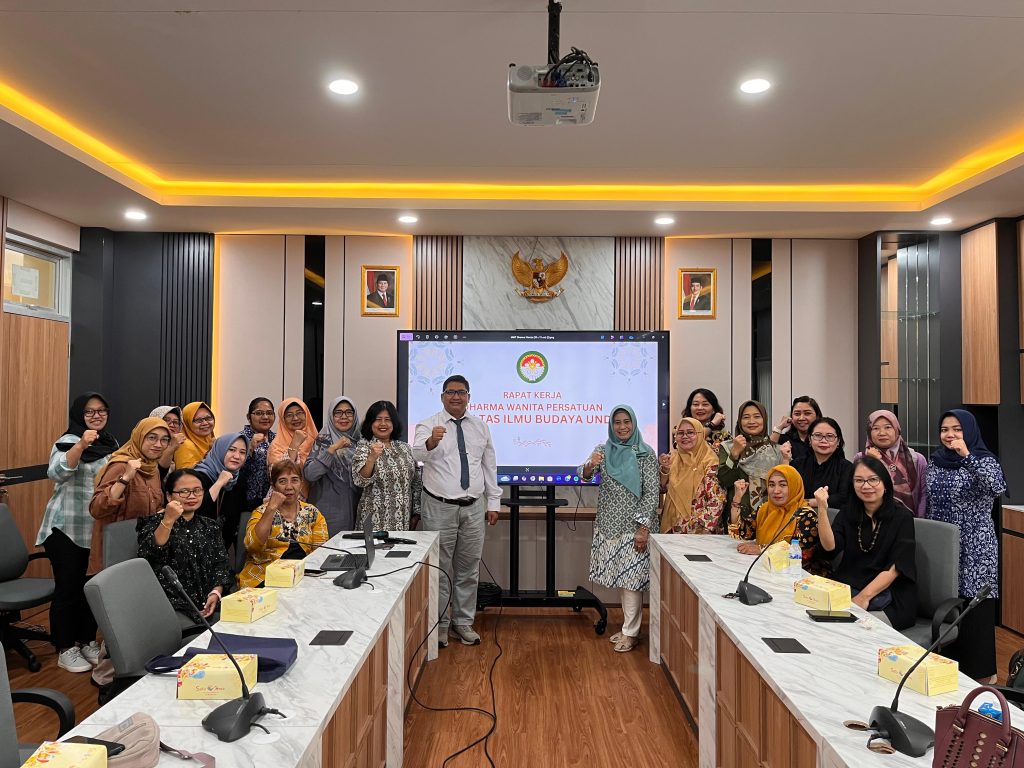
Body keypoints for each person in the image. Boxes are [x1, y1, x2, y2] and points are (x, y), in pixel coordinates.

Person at [412, 376, 500, 649]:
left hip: (474, 507)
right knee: (439, 569)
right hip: (439, 506)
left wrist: (494, 502)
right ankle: (439, 626)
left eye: (461, 392)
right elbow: (416, 453)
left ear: (468, 396)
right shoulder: (429, 425)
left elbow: (489, 466)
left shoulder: (480, 427)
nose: (456, 397)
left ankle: (463, 622)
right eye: (450, 392)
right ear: (442, 397)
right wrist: (430, 443)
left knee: (468, 569)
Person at [36, 393, 118, 673]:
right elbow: (57, 472)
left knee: (90, 589)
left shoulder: (110, 443)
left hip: (94, 530)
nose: (96, 416)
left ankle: (86, 641)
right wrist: (82, 444)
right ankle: (64, 647)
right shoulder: (68, 441)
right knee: (68, 589)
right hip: (66, 528)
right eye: (89, 412)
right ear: (78, 415)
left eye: (101, 411)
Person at [926, 409, 1006, 682]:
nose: (950, 435)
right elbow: (931, 500)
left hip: (976, 546)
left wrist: (967, 457)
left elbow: (997, 487)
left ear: (969, 432)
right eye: (945, 429)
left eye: (957, 429)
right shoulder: (935, 461)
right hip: (943, 542)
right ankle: (952, 671)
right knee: (948, 602)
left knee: (976, 606)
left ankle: (983, 675)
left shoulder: (984, 460)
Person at [580, 405, 659, 653]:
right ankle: (628, 627)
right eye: (617, 422)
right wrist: (591, 465)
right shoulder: (603, 450)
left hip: (634, 527)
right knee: (624, 581)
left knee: (632, 582)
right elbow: (583, 475)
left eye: (627, 422)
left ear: (634, 424)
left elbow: (651, 494)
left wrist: (643, 528)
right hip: (609, 525)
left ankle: (631, 633)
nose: (623, 427)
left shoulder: (646, 454)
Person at [814, 457, 917, 628]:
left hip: (890, 597)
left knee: (848, 629)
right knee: (816, 623)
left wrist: (863, 597)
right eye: (859, 480)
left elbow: (896, 567)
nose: (866, 486)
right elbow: (830, 548)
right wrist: (822, 509)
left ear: (885, 484)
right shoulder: (848, 512)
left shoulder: (902, 517)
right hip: (849, 590)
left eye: (873, 480)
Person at [137, 469, 233, 627]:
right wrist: (168, 520)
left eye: (197, 490)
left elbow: (220, 563)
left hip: (210, 601)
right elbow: (150, 555)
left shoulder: (210, 526)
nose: (192, 496)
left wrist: (216, 591)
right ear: (169, 496)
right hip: (172, 605)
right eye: (184, 491)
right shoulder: (153, 524)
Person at [89, 417, 171, 574]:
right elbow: (96, 509)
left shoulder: (153, 469)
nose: (158, 444)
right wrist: (125, 478)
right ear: (139, 437)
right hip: (115, 552)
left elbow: (153, 505)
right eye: (152, 437)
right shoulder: (121, 465)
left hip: (141, 550)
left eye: (164, 440)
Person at [239, 460, 328, 589]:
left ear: (301, 484)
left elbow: (320, 553)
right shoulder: (261, 512)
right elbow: (253, 546)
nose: (289, 487)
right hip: (265, 576)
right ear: (274, 486)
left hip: (302, 576)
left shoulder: (313, 513)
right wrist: (271, 509)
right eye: (282, 481)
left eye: (294, 480)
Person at [729, 465, 824, 575]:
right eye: (771, 485)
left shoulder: (806, 515)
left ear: (794, 486)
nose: (776, 490)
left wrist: (762, 550)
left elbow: (802, 553)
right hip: (765, 569)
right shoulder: (765, 509)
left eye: (783, 485)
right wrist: (737, 498)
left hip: (798, 576)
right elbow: (741, 533)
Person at [717, 400, 791, 532]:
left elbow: (787, 485)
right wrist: (734, 454)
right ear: (739, 421)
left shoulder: (777, 450)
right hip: (738, 514)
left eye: (757, 416)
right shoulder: (728, 446)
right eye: (746, 417)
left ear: (764, 419)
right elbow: (725, 480)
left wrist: (786, 460)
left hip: (770, 516)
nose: (751, 421)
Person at [354, 400, 422, 530]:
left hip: (403, 519)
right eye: (378, 419)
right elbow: (360, 481)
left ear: (394, 423)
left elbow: (416, 483)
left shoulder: (405, 448)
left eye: (388, 419)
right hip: (374, 520)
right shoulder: (364, 446)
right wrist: (371, 458)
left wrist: (416, 512)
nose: (383, 424)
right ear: (370, 423)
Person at [305, 395, 361, 536]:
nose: (344, 417)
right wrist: (332, 449)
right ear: (331, 415)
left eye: (349, 412)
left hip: (357, 509)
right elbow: (310, 474)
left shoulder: (361, 441)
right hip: (329, 511)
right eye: (338, 413)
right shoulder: (323, 440)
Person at [854, 410, 928, 517]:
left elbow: (923, 495)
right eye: (875, 428)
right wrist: (869, 461)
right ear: (869, 432)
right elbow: (856, 490)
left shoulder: (917, 459)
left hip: (910, 521)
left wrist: (920, 522)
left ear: (897, 430)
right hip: (872, 520)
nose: (882, 433)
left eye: (888, 427)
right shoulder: (861, 458)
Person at [659, 418, 725, 534]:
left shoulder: (709, 460)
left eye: (690, 432)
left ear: (700, 434)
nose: (685, 436)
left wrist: (705, 529)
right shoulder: (672, 457)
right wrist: (665, 469)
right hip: (672, 530)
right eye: (680, 433)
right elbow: (662, 489)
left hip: (700, 532)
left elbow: (717, 499)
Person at [192, 432, 249, 547]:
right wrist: (219, 483)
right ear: (220, 450)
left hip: (221, 550)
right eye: (231, 450)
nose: (237, 456)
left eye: (242, 452)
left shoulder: (237, 478)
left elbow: (242, 506)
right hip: (196, 548)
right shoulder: (198, 476)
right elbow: (198, 510)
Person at [794, 417, 853, 511]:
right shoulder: (797, 464)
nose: (824, 441)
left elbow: (843, 498)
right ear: (809, 439)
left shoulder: (847, 467)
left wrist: (809, 502)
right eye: (818, 435)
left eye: (829, 436)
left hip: (833, 521)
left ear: (838, 441)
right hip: (798, 519)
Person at [239, 397, 276, 512]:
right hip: (244, 502)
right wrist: (249, 449)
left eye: (269, 413)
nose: (265, 417)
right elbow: (233, 471)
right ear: (248, 417)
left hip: (272, 502)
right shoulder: (239, 439)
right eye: (259, 413)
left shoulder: (278, 439)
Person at [268, 397, 317, 474]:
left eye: (299, 413)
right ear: (283, 420)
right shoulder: (276, 446)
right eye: (289, 415)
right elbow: (278, 474)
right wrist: (294, 444)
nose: (295, 418)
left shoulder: (316, 440)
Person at [770, 396, 822, 463]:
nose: (801, 418)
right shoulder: (784, 440)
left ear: (817, 415)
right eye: (797, 414)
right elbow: (765, 455)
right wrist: (779, 427)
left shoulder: (824, 440)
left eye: (807, 413)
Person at [174, 402, 216, 469]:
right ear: (187, 423)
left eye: (208, 418)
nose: (205, 423)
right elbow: (186, 476)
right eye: (198, 420)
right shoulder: (185, 445)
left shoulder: (210, 439)